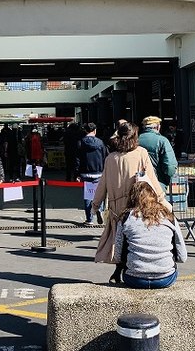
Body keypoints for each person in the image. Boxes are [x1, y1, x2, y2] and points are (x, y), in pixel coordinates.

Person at [91, 121, 171, 283]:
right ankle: (130, 272)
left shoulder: (111, 158)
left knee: (120, 240)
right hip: (136, 205)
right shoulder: (141, 153)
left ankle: (118, 271)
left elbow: (103, 184)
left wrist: (95, 205)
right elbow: (151, 180)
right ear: (135, 136)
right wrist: (163, 200)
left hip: (115, 207)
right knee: (134, 239)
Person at [114, 177, 187, 289]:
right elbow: (182, 257)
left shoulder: (125, 218)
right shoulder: (169, 217)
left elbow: (118, 256)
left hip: (134, 278)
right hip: (165, 277)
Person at [73, 122, 108, 225]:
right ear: (95, 131)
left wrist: (77, 174)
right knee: (99, 194)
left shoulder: (80, 143)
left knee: (88, 196)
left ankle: (89, 219)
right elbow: (105, 157)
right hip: (99, 173)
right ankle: (99, 210)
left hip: (85, 173)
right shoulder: (101, 143)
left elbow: (77, 160)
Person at [138, 115, 178, 192]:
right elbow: (170, 167)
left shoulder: (136, 140)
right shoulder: (162, 141)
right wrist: (166, 179)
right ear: (158, 127)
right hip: (158, 183)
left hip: (139, 183)